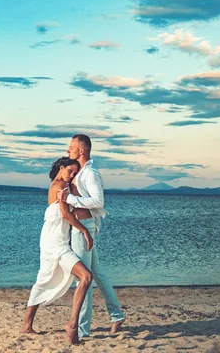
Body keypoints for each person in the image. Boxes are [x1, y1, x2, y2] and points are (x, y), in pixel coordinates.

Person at [57, 134, 125, 338]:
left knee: (83, 278)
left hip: (84, 227)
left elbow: (98, 201)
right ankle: (116, 314)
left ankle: (82, 328)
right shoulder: (80, 171)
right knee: (98, 273)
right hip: (82, 226)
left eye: (72, 147)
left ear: (82, 150)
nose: (68, 149)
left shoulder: (91, 173)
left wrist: (70, 198)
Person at [21, 156, 93, 345]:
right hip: (55, 243)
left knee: (43, 279)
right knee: (85, 277)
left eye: (75, 173)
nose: (71, 175)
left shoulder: (56, 185)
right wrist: (85, 230)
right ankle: (72, 325)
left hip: (52, 240)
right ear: (61, 168)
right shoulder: (60, 186)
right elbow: (65, 214)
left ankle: (26, 326)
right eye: (69, 171)